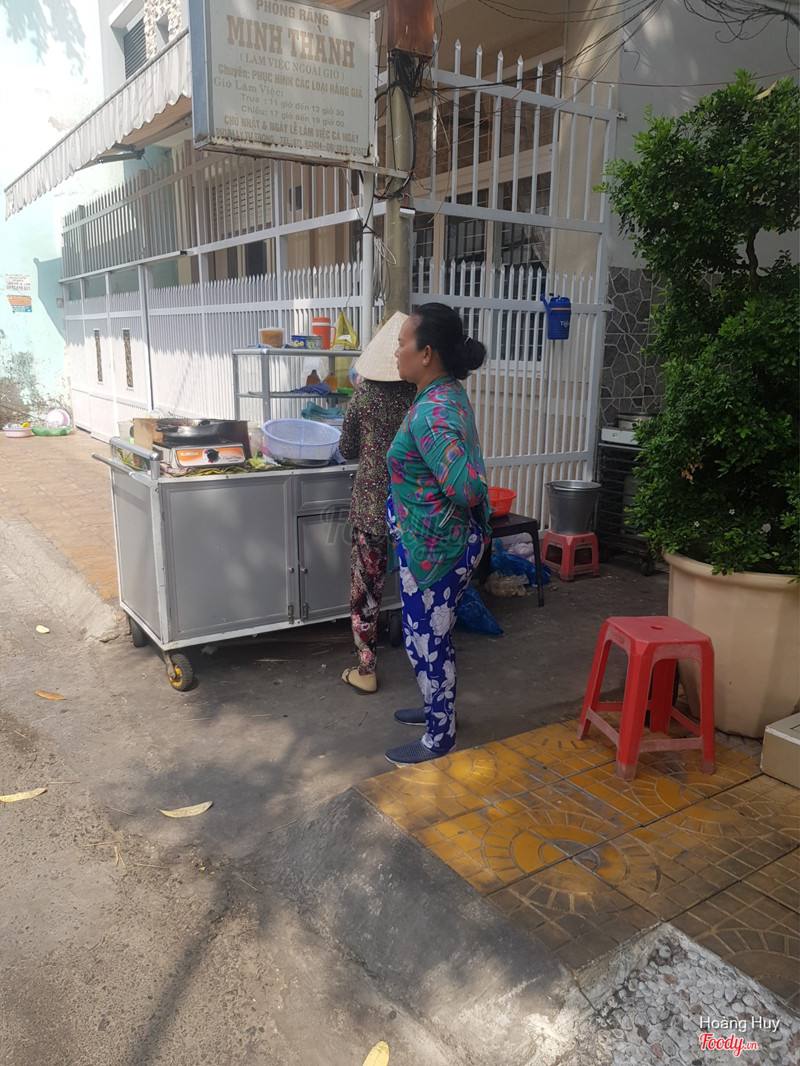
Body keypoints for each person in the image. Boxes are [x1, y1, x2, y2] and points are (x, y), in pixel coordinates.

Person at [384, 302, 491, 766]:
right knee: (421, 636)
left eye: (402, 343)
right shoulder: (442, 393)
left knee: (430, 641)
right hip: (428, 546)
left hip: (439, 551)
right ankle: (434, 709)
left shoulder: (432, 412)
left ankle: (440, 736)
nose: (397, 351)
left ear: (425, 353)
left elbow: (466, 487)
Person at [338, 313, 416, 693]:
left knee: (366, 591)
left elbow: (346, 448)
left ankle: (366, 671)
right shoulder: (421, 396)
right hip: (412, 507)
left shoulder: (364, 396)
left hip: (371, 507)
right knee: (417, 586)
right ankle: (427, 666)